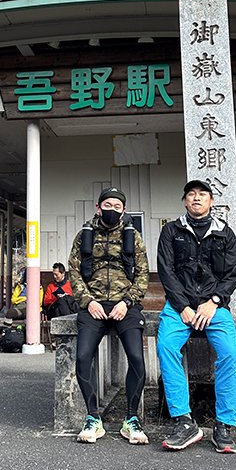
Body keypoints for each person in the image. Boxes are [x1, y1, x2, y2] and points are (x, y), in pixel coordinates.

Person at [156, 179, 236, 453]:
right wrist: (183, 307)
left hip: (214, 308)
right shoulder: (171, 231)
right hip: (179, 307)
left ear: (211, 201)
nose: (196, 198)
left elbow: (230, 276)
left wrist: (213, 302)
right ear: (184, 201)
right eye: (191, 194)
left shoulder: (225, 234)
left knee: (229, 353)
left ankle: (223, 424)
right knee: (167, 347)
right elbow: (166, 272)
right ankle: (184, 421)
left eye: (202, 194)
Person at [67, 187, 150, 445]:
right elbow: (74, 272)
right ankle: (93, 418)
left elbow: (143, 275)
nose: (112, 210)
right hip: (93, 305)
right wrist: (87, 301)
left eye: (117, 206)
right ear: (98, 206)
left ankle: (131, 420)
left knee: (136, 358)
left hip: (124, 305)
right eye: (107, 205)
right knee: (83, 357)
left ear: (123, 210)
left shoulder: (132, 236)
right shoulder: (84, 236)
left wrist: (127, 302)